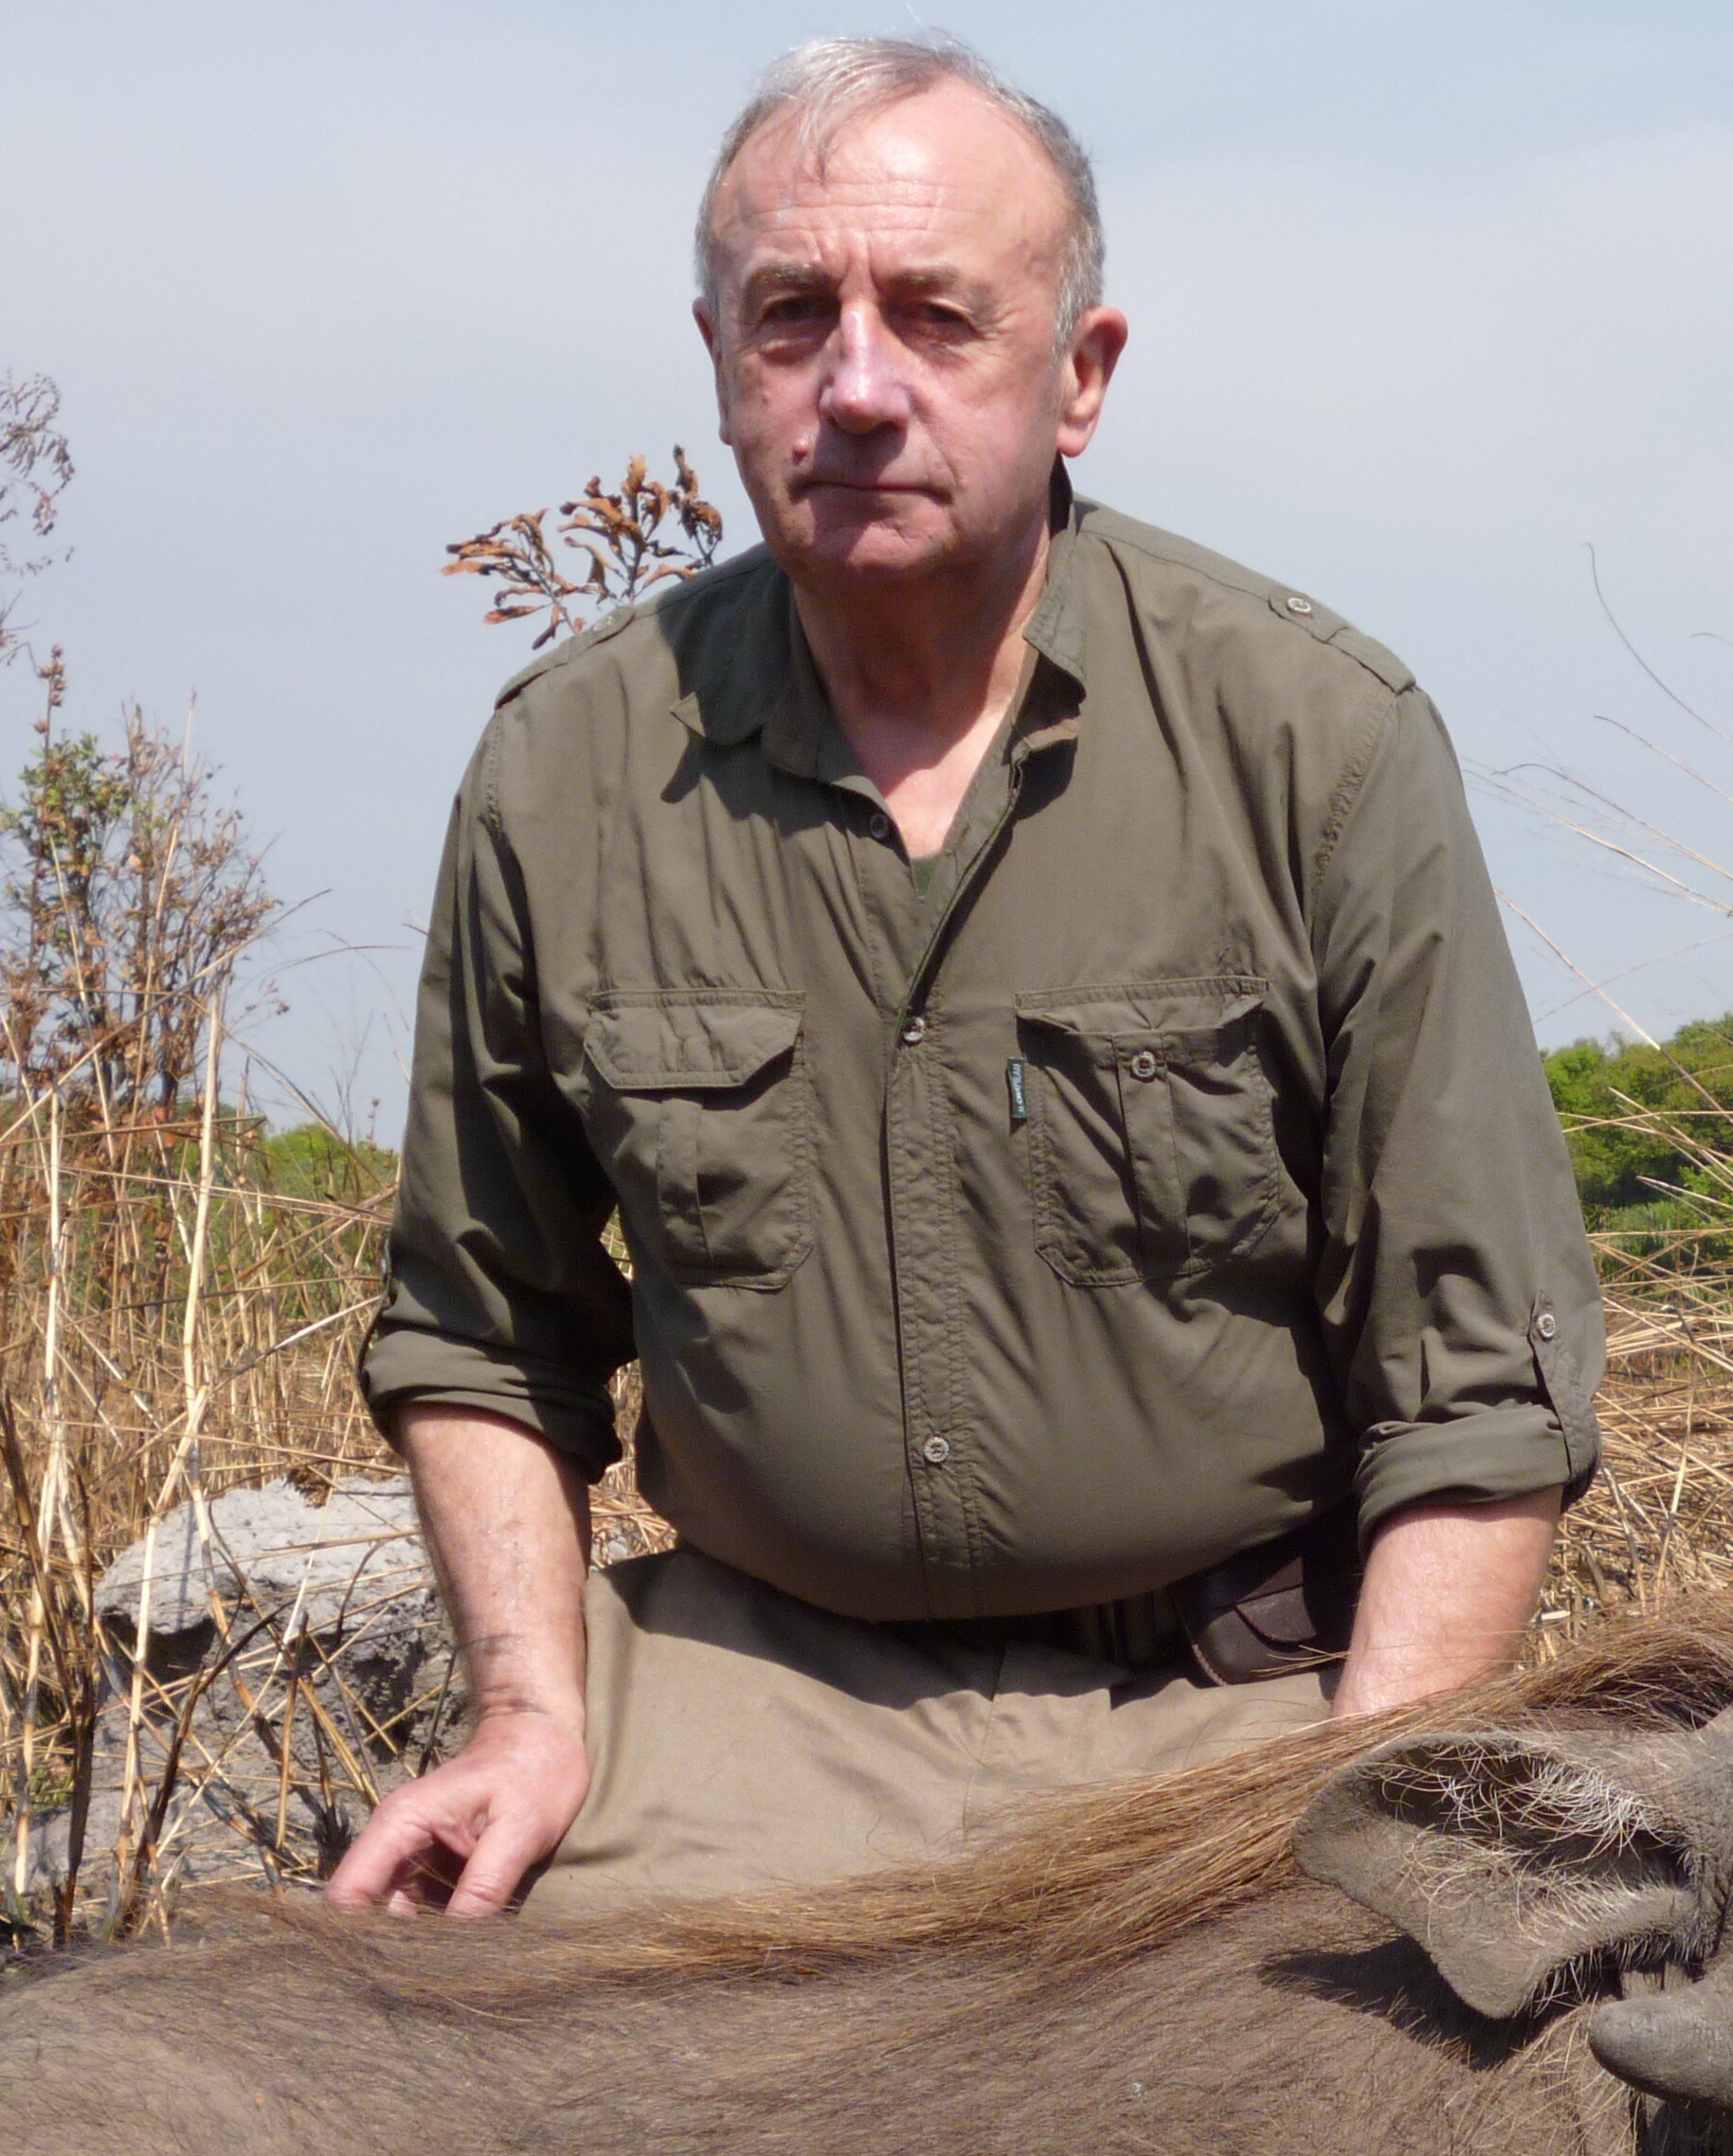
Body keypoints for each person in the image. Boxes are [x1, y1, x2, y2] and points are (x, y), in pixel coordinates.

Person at [331, 36, 1600, 1918]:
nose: (857, 387)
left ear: (1078, 377)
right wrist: (530, 1711)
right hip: (755, 1707)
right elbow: (480, 1338)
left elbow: (1483, 1385)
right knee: (512, 2080)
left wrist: (1364, 1790)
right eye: (792, 321)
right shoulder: (565, 767)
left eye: (936, 317)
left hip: (1242, 1702)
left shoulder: (1320, 743)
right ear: (718, 361)